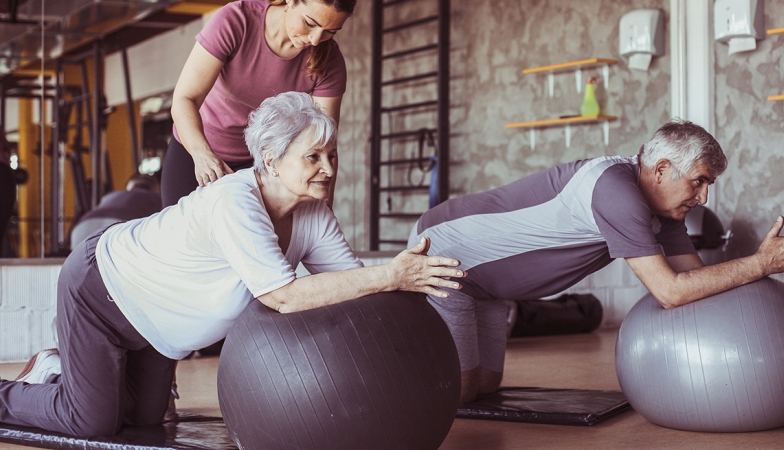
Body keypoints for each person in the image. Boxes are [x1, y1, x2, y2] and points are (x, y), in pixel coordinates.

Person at [0, 92, 465, 438]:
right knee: (90, 421)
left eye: (332, 155)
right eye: (313, 157)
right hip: (103, 289)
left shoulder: (313, 215)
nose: (327, 168)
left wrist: (409, 279)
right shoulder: (235, 200)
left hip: (159, 336)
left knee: (140, 421)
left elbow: (351, 285)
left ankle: (60, 371)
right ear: (270, 159)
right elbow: (280, 296)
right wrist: (390, 274)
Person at [409, 120, 784, 404]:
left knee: (486, 385)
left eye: (709, 185)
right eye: (699, 181)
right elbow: (670, 292)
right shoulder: (616, 191)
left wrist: (761, 263)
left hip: (489, 286)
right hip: (446, 253)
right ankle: (391, 386)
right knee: (460, 391)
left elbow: (694, 278)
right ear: (663, 169)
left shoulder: (662, 211)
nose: (704, 198)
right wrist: (761, 264)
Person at [161, 0, 354, 207]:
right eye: (309, 23)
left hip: (262, 164)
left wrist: (325, 212)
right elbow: (184, 99)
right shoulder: (236, 21)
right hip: (197, 148)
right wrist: (202, 154)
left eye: (330, 31)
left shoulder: (330, 61)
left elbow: (323, 143)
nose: (316, 40)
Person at [69, 174, 162, 248]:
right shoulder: (156, 198)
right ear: (155, 189)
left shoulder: (113, 195)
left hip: (82, 226)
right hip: (119, 227)